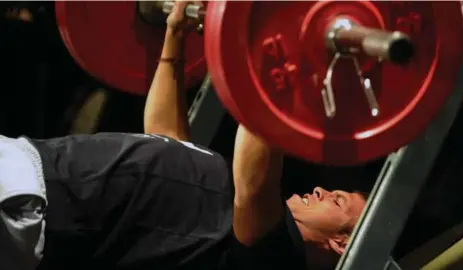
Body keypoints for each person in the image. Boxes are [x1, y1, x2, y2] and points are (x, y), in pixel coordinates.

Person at [0, 2, 367, 270]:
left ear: (341, 243)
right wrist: (174, 37)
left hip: (35, 205)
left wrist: (279, 70)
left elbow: (253, 184)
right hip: (34, 168)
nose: (321, 190)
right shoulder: (220, 217)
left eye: (335, 201)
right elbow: (166, 139)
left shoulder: (276, 257)